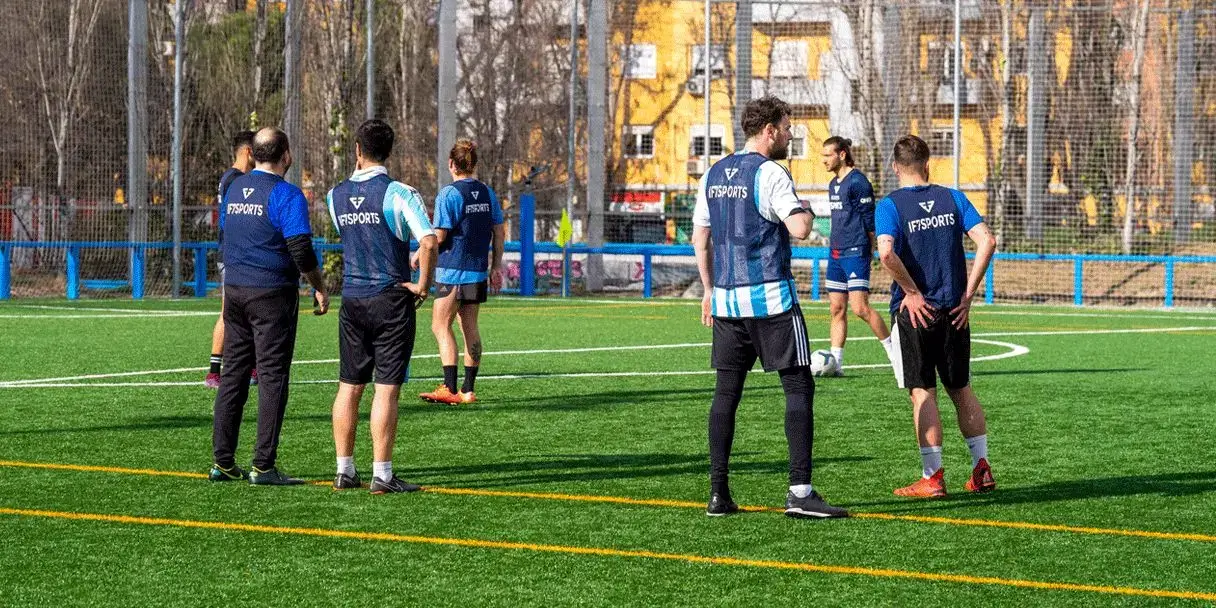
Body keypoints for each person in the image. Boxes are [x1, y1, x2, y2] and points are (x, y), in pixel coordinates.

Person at [691, 96, 848, 519]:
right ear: (770, 131)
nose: (791, 133)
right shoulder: (771, 173)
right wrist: (809, 212)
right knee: (798, 387)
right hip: (771, 300)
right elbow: (798, 228)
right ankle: (799, 492)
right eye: (787, 126)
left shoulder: (713, 172)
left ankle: (718, 494)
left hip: (726, 301)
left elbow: (700, 239)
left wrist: (708, 290)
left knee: (726, 394)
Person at [875, 134, 998, 498]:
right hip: (954, 312)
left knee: (922, 393)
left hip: (917, 315)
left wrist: (912, 292)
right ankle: (982, 469)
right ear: (928, 163)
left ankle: (933, 477)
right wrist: (969, 294)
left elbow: (885, 253)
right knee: (961, 389)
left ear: (895, 167)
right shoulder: (953, 197)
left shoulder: (891, 205)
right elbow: (987, 240)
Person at [209, 127, 329, 486]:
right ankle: (263, 465)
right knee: (273, 377)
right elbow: (300, 249)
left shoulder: (233, 189)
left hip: (236, 291)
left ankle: (223, 461)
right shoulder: (288, 194)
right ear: (286, 156)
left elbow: (228, 235)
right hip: (272, 294)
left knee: (232, 375)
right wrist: (319, 286)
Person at [326, 119, 438, 493]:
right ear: (390, 151)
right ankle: (382, 475)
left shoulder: (335, 195)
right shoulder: (399, 193)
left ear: (357, 150)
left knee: (348, 386)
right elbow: (429, 241)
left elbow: (352, 238)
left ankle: (344, 470)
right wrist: (422, 284)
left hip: (353, 298)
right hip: (390, 298)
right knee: (386, 388)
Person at [418, 139, 504, 405]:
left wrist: (420, 252)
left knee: (440, 325)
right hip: (477, 272)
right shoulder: (488, 193)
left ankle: (449, 387)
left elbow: (440, 236)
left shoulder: (449, 194)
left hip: (452, 271)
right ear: (474, 164)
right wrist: (496, 265)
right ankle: (468, 390)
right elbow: (498, 231)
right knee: (470, 327)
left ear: (451, 164)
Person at [820, 136, 893, 374]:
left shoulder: (859, 182)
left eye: (827, 155)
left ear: (841, 154)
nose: (824, 161)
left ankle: (895, 353)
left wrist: (872, 250)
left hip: (856, 251)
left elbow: (870, 220)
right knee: (836, 309)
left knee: (860, 308)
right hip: (836, 252)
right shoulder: (833, 184)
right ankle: (836, 364)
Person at [206, 130, 257, 389]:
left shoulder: (232, 178)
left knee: (241, 311)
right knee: (229, 312)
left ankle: (249, 366)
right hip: (233, 254)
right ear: (249, 152)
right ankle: (215, 371)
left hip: (234, 253)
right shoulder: (235, 180)